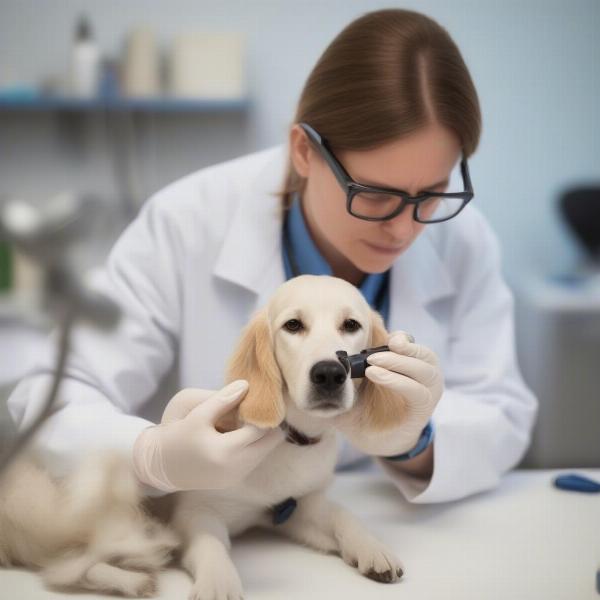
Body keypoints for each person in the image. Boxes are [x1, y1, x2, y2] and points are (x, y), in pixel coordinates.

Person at [7, 8, 537, 504]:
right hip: (217, 523)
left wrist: (414, 442)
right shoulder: (186, 222)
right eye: (374, 193)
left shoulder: (462, 238)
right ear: (305, 151)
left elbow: (504, 414)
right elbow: (50, 397)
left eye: (432, 193)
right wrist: (152, 456)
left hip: (368, 518)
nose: (404, 227)